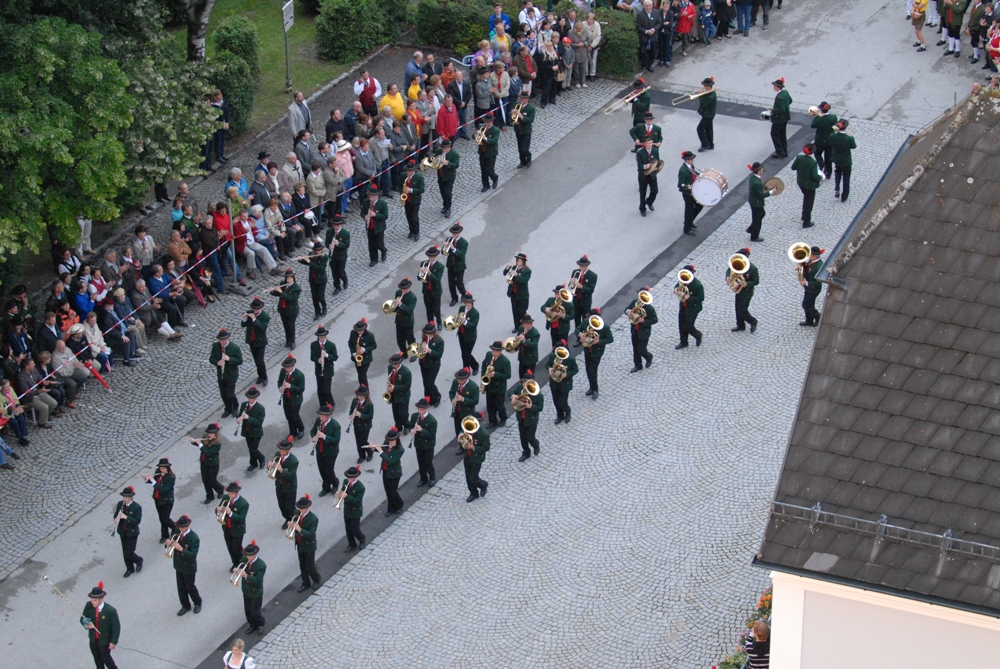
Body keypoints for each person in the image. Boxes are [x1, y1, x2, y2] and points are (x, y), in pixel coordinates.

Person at [167, 514, 203, 616]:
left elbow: (192, 555)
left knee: (190, 586)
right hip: (178, 564)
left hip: (188, 566)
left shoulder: (193, 538)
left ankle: (197, 602)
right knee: (181, 587)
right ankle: (185, 605)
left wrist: (181, 549)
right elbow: (173, 541)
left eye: (183, 527)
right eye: (180, 527)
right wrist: (169, 544)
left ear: (187, 526)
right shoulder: (177, 531)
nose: (181, 529)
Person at [81, 582, 121, 669]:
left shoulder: (110, 611)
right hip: (93, 640)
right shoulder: (88, 606)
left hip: (105, 640)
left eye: (94, 600)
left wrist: (113, 642)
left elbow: (116, 627)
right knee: (97, 659)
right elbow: (82, 618)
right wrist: (87, 624)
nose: (92, 602)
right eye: (92, 600)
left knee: (106, 659)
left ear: (101, 599)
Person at [576, 307, 613, 399]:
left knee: (592, 370)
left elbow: (610, 339)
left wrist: (599, 341)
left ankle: (595, 389)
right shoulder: (586, 322)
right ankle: (591, 387)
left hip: (597, 351)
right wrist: (581, 335)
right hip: (587, 349)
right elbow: (577, 329)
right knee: (588, 370)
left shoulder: (604, 327)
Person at [142, 458, 178, 543]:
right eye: (161, 468)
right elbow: (154, 482)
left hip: (167, 501)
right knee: (161, 518)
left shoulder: (171, 477)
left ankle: (175, 528)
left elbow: (163, 489)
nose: (162, 469)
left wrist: (153, 481)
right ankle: (165, 535)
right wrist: (146, 479)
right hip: (157, 499)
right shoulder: (158, 472)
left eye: (164, 468)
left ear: (167, 468)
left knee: (165, 518)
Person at [371, 428, 404, 515]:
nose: (390, 442)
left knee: (392, 491)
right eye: (389, 440)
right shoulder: (386, 443)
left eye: (392, 441)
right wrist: (374, 448)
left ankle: (399, 504)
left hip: (394, 473)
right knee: (387, 491)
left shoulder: (400, 450)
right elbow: (382, 449)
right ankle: (391, 508)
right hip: (385, 470)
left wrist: (380, 451)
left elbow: (390, 461)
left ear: (396, 439)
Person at [510, 371, 543, 461]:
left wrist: (531, 406)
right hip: (521, 418)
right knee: (522, 437)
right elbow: (512, 392)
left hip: (531, 420)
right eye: (523, 382)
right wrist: (513, 396)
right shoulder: (520, 388)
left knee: (530, 437)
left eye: (526, 382)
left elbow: (540, 408)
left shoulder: (538, 395)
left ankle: (536, 445)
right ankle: (526, 452)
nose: (524, 384)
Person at [210, 328, 242, 417]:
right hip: (221, 375)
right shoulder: (216, 346)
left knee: (230, 394)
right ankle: (228, 409)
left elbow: (240, 361)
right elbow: (211, 358)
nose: (222, 342)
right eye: (221, 340)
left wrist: (229, 359)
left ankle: (235, 406)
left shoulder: (235, 347)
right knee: (223, 394)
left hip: (231, 374)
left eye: (224, 340)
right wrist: (217, 362)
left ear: (228, 339)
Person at [291, 496, 321, 592]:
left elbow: (311, 535)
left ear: (307, 508)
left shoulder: (313, 519)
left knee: (310, 565)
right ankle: (305, 583)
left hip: (309, 545)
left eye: (302, 508)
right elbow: (294, 523)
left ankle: (316, 578)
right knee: (302, 565)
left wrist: (299, 529)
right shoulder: (296, 513)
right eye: (300, 508)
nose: (301, 510)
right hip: (300, 543)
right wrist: (291, 526)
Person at [112, 486, 143, 578]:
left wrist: (126, 517)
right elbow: (115, 515)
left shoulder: (137, 507)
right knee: (124, 551)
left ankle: (139, 560)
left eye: (125, 497)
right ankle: (130, 568)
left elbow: (137, 521)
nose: (124, 499)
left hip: (132, 532)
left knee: (129, 552)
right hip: (122, 531)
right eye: (123, 497)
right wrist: (116, 519)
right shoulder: (120, 504)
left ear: (130, 497)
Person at [310, 403, 340, 496]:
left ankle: (335, 483)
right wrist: (314, 437)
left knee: (329, 470)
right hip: (320, 449)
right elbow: (313, 431)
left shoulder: (335, 425)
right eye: (320, 415)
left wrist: (325, 437)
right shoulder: (318, 421)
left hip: (331, 451)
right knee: (322, 469)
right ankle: (326, 487)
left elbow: (336, 440)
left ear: (328, 416)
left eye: (322, 416)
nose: (320, 417)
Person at [545, 340, 578, 424]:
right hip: (554, 383)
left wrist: (567, 375)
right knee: (556, 401)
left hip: (564, 384)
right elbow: (547, 365)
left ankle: (567, 412)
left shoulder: (570, 359)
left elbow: (575, 369)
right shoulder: (553, 356)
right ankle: (560, 416)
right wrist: (549, 369)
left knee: (562, 401)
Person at [728, 247, 760, 333]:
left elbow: (756, 281)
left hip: (747, 292)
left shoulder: (753, 268)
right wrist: (727, 277)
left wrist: (747, 284)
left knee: (742, 310)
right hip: (738, 289)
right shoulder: (736, 263)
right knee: (737, 308)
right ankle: (740, 325)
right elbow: (729, 270)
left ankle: (753, 321)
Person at [791, 143, 823, 229]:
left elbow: (793, 168)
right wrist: (820, 178)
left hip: (801, 183)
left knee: (806, 198)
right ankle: (806, 221)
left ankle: (803, 215)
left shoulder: (799, 158)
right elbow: (815, 176)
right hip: (810, 185)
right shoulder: (813, 162)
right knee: (808, 203)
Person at [479, 341, 511, 427]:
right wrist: (483, 376)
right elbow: (483, 364)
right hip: (489, 385)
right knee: (490, 405)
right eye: (493, 350)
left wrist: (495, 374)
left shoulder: (505, 361)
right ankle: (492, 420)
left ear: (500, 351)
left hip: (499, 387)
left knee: (499, 405)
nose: (494, 352)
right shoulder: (489, 355)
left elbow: (508, 375)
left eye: (496, 351)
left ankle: (503, 418)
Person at [241, 297, 271, 386]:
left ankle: (264, 377)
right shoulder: (250, 312)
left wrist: (254, 319)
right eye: (255, 309)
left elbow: (263, 328)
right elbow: (243, 325)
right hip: (252, 340)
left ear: (261, 308)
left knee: (260, 361)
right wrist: (245, 319)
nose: (256, 311)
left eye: (257, 309)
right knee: (256, 360)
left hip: (261, 341)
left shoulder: (265, 316)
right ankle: (260, 376)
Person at [408, 397, 438, 486]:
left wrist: (422, 430)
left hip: (428, 445)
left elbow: (432, 435)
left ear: (426, 408)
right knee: (421, 462)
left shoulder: (432, 421)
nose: (420, 411)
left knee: (428, 462)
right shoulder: (414, 416)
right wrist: (411, 430)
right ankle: (423, 478)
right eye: (419, 409)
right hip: (419, 444)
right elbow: (410, 426)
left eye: (422, 409)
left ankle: (432, 477)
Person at [238, 541, 266, 635]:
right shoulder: (244, 559)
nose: (248, 558)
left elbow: (258, 581)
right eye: (247, 556)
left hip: (256, 591)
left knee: (255, 611)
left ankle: (261, 623)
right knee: (248, 610)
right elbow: (240, 567)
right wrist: (237, 570)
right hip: (246, 589)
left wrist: (246, 576)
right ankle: (252, 625)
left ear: (255, 554)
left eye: (250, 556)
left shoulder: (261, 565)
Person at [219, 481, 249, 569]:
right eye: (229, 493)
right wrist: (218, 510)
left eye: (232, 493)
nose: (230, 495)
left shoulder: (243, 504)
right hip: (227, 528)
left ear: (237, 493)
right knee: (230, 547)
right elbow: (219, 508)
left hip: (237, 529)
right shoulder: (225, 498)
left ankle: (242, 563)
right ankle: (235, 563)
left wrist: (231, 513)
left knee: (237, 549)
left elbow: (241, 519)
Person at [335, 467, 366, 551]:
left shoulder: (360, 487)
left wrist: (347, 496)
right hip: (347, 509)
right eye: (348, 477)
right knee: (348, 529)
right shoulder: (346, 481)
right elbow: (342, 490)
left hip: (355, 511)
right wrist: (339, 493)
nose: (349, 479)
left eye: (350, 478)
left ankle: (362, 539)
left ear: (355, 477)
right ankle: (352, 544)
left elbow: (357, 501)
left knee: (355, 529)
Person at [235, 388, 266, 472]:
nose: (250, 400)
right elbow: (239, 414)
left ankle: (261, 458)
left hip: (256, 432)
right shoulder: (244, 405)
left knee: (253, 449)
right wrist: (238, 419)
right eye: (249, 398)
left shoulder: (260, 408)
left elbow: (259, 422)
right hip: (247, 431)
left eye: (252, 398)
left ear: (255, 398)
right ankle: (253, 463)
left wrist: (248, 417)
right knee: (250, 448)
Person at [627, 287, 657, 371]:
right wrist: (628, 312)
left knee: (641, 348)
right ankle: (638, 365)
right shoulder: (634, 302)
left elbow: (655, 319)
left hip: (644, 332)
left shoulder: (649, 308)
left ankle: (648, 356)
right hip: (634, 330)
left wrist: (644, 320)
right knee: (635, 348)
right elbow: (626, 309)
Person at [462, 417, 491, 502]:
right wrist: (461, 434)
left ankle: (483, 485)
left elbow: (486, 447)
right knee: (468, 476)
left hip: (477, 458)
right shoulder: (468, 427)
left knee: (473, 477)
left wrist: (474, 448)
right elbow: (463, 430)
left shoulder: (483, 434)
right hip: (467, 456)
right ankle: (474, 493)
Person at [675, 264, 704, 349]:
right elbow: (677, 285)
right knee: (681, 324)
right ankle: (684, 342)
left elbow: (701, 298)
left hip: (693, 308)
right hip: (683, 306)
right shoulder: (682, 280)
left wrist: (689, 297)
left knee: (688, 326)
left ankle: (698, 335)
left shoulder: (697, 284)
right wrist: (676, 289)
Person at [277, 356, 306, 440]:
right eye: (285, 367)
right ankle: (293, 432)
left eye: (288, 367)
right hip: (286, 398)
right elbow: (279, 381)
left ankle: (301, 428)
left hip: (296, 399)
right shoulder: (283, 371)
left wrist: (290, 386)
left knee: (294, 416)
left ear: (293, 366)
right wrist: (280, 387)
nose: (286, 369)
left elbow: (301, 389)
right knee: (288, 416)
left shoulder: (299, 375)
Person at [448, 367, 480, 442]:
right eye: (458, 379)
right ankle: (460, 445)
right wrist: (452, 399)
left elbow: (475, 401)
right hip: (457, 411)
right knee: (458, 430)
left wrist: (463, 399)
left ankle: (466, 446)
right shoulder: (455, 382)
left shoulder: (473, 386)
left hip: (467, 412)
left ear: (466, 378)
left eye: (461, 380)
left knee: (466, 431)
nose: (459, 381)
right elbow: (451, 392)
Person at [746, 162, 775, 242]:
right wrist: (771, 192)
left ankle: (751, 229)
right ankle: (754, 236)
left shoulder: (753, 177)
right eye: (761, 169)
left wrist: (768, 187)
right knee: (757, 219)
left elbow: (759, 188)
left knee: (761, 214)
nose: (762, 169)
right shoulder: (756, 182)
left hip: (753, 201)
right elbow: (761, 195)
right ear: (758, 171)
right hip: (756, 203)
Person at [310, 326, 338, 410]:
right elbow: (312, 357)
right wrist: (317, 359)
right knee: (320, 390)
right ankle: (322, 405)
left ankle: (331, 403)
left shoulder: (331, 345)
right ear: (318, 337)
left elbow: (335, 357)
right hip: (319, 370)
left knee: (326, 390)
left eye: (324, 337)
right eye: (321, 337)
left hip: (328, 369)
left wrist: (328, 355)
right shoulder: (313, 345)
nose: (322, 338)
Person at [418, 321, 444, 406]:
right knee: (425, 382)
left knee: (430, 383)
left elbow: (439, 354)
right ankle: (427, 398)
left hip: (433, 365)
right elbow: (422, 346)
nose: (427, 335)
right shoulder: (424, 337)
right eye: (426, 333)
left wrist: (430, 351)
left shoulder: (439, 340)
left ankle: (436, 397)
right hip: (424, 363)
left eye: (429, 333)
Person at [386, 352, 412, 433]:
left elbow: (407, 386)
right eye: (392, 364)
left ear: (400, 363)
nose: (393, 366)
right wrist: (389, 388)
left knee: (403, 414)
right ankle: (398, 426)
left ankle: (407, 425)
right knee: (395, 412)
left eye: (395, 364)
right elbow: (389, 378)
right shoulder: (390, 367)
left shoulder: (406, 372)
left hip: (403, 396)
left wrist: (395, 387)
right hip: (394, 395)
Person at [361, 185, 388, 268]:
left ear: (376, 196)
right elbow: (362, 212)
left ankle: (383, 250)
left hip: (379, 227)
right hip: (370, 227)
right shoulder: (366, 202)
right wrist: (365, 216)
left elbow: (385, 216)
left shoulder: (382, 203)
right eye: (370, 196)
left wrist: (375, 215)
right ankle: (373, 259)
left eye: (372, 196)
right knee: (371, 244)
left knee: (379, 244)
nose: (370, 198)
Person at [678, 150, 703, 235]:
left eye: (692, 159)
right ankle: (687, 228)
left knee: (700, 205)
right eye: (691, 159)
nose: (692, 160)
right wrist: (687, 186)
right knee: (689, 210)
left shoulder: (691, 165)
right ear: (686, 160)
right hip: (687, 193)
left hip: (694, 190)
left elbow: (693, 172)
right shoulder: (683, 170)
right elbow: (680, 184)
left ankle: (690, 220)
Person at [831, 120, 857, 202]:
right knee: (846, 178)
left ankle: (837, 188)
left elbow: (831, 143)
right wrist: (848, 134)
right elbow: (853, 146)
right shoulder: (849, 138)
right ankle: (844, 196)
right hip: (846, 161)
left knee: (837, 173)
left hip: (837, 159)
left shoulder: (832, 136)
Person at [348, 385, 375, 463]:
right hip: (356, 424)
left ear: (365, 396)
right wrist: (351, 415)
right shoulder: (355, 401)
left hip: (365, 426)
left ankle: (370, 452)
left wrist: (360, 415)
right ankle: (361, 456)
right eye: (358, 395)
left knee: (363, 441)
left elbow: (370, 416)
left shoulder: (369, 404)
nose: (359, 397)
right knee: (358, 441)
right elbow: (351, 410)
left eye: (361, 396)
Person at [810, 102, 838, 179]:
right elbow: (834, 126)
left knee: (817, 154)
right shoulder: (833, 117)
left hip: (820, 140)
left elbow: (812, 125)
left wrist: (817, 116)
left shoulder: (819, 118)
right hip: (829, 140)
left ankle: (821, 164)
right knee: (828, 157)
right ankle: (828, 173)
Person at [541, 284, 574, 348]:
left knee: (563, 346)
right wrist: (546, 309)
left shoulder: (569, 304)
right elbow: (542, 307)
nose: (557, 296)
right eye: (556, 294)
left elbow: (572, 316)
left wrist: (563, 316)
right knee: (554, 345)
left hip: (563, 329)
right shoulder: (550, 300)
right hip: (553, 328)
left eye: (559, 294)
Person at [325, 213, 350, 294]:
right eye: (334, 225)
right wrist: (329, 245)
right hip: (333, 256)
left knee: (341, 272)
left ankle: (344, 279)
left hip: (341, 256)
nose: (336, 227)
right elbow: (326, 242)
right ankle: (337, 287)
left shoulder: (345, 233)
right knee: (334, 272)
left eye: (337, 225)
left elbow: (347, 244)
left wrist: (339, 243)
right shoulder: (329, 231)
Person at [799, 245, 824, 326]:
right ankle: (809, 320)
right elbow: (807, 266)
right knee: (810, 305)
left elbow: (818, 282)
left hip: (813, 289)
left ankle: (817, 316)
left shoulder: (819, 266)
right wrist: (801, 267)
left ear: (814, 256)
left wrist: (806, 283)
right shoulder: (812, 261)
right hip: (808, 288)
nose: (809, 256)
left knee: (806, 305)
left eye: (810, 255)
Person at [401, 159, 425, 241]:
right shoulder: (403, 175)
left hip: (415, 200)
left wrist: (411, 190)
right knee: (408, 216)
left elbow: (422, 189)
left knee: (414, 217)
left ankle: (416, 232)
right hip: (406, 200)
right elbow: (398, 186)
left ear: (414, 170)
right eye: (407, 171)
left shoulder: (419, 177)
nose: (408, 173)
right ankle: (411, 230)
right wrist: (402, 192)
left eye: (410, 171)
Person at [348, 319, 377, 388]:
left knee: (362, 375)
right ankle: (361, 387)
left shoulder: (370, 335)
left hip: (366, 359)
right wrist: (354, 353)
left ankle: (365, 390)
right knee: (359, 374)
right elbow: (350, 344)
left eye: (360, 331)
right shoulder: (353, 333)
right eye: (358, 330)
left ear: (364, 329)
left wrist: (365, 349)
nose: (359, 332)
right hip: (356, 358)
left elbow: (374, 346)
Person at [636, 134, 660, 217]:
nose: (650, 145)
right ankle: (642, 208)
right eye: (648, 143)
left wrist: (656, 167)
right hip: (643, 176)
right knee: (643, 192)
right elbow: (639, 165)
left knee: (655, 191)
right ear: (644, 144)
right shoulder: (640, 152)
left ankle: (649, 202)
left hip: (652, 175)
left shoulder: (655, 151)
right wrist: (646, 166)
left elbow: (658, 161)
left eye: (651, 143)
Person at [456, 292, 480, 373]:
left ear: (472, 303)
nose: (468, 304)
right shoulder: (461, 309)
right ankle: (466, 369)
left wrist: (465, 322)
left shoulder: (475, 313)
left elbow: (473, 326)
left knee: (467, 353)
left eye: (469, 302)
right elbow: (458, 318)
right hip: (461, 334)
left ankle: (475, 366)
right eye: (466, 302)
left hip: (470, 337)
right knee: (463, 353)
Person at [507, 253, 531, 332]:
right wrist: (508, 267)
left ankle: (524, 326)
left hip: (522, 294)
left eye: (520, 261)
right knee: (515, 310)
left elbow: (524, 281)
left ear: (523, 262)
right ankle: (517, 326)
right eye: (517, 260)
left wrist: (517, 275)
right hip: (513, 293)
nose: (518, 262)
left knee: (522, 311)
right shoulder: (514, 267)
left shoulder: (527, 271)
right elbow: (504, 273)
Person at [435, 139, 460, 218]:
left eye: (446, 148)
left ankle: (448, 208)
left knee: (447, 193)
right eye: (443, 148)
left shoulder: (454, 154)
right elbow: (434, 160)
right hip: (441, 175)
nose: (444, 150)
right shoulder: (439, 152)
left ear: (449, 147)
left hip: (449, 176)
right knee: (442, 192)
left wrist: (447, 163)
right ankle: (444, 205)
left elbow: (456, 165)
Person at [422, 246, 445, 329]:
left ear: (435, 257)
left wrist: (429, 273)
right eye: (430, 256)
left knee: (436, 309)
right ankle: (431, 323)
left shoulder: (440, 266)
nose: (431, 258)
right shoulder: (424, 264)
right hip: (426, 290)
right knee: (428, 309)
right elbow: (419, 278)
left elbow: (437, 280)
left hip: (436, 291)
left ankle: (439, 322)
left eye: (432, 257)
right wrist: (420, 273)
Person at [635, 0, 662, 72]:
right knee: (643, 52)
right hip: (644, 37)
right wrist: (646, 31)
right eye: (646, 6)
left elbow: (659, 23)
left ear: (652, 6)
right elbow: (638, 26)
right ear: (644, 6)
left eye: (649, 6)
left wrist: (653, 29)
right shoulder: (640, 14)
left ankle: (649, 65)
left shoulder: (656, 12)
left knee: (653, 52)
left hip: (653, 37)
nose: (648, 7)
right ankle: (645, 64)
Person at [512, 90, 536, 169]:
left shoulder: (531, 108)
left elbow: (530, 120)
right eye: (521, 98)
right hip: (518, 129)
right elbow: (510, 114)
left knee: (525, 148)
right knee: (520, 147)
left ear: (527, 99)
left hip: (526, 131)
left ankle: (528, 159)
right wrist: (512, 113)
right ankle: (522, 161)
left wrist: (521, 116)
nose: (522, 100)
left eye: (524, 99)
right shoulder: (516, 105)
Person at [769, 78, 792, 158]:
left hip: (779, 119)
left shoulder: (779, 98)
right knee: (782, 134)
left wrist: (773, 110)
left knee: (774, 134)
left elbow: (781, 109)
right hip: (785, 118)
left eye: (774, 86)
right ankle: (784, 151)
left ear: (778, 87)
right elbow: (790, 101)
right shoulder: (785, 92)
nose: (773, 87)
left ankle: (780, 152)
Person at [478, 113, 501, 192]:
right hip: (483, 152)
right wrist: (477, 134)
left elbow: (494, 141)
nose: (487, 123)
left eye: (489, 122)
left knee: (490, 170)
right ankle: (485, 185)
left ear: (492, 122)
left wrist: (485, 138)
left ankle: (495, 178)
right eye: (486, 122)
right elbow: (474, 136)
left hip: (491, 153)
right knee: (483, 170)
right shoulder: (482, 128)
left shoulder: (495, 130)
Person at [696, 77, 717, 150]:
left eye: (705, 86)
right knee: (708, 129)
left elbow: (703, 105)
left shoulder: (710, 96)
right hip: (709, 114)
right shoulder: (709, 92)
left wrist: (700, 95)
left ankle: (705, 144)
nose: (703, 87)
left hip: (708, 115)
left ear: (708, 86)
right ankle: (710, 144)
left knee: (700, 129)